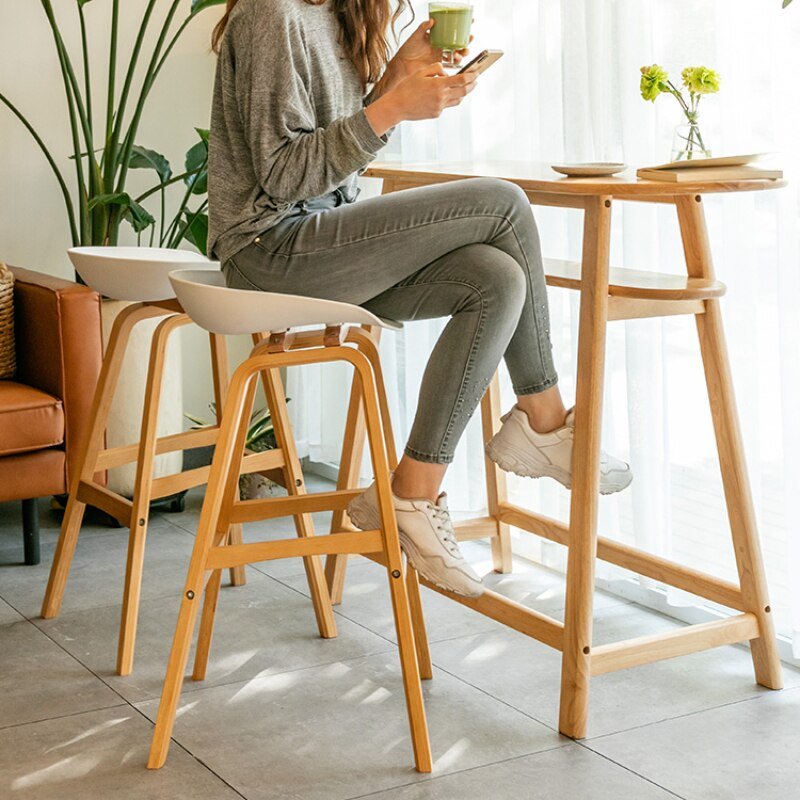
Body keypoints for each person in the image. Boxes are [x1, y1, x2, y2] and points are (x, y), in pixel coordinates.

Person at [207, 0, 632, 599]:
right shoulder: (270, 14)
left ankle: (412, 489)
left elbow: (333, 167)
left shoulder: (331, 18)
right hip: (267, 249)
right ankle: (543, 420)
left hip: (321, 242)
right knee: (502, 202)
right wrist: (390, 108)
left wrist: (391, 83)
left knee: (496, 278)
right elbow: (282, 177)